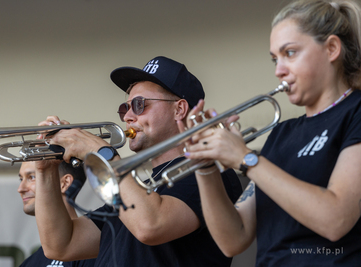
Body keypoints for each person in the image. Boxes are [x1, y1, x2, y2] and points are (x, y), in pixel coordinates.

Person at [182, 0, 361, 266]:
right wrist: (205, 166)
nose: (279, 70)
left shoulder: (355, 112)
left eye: (290, 53)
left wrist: (246, 158)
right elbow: (233, 240)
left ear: (332, 49)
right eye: (275, 59)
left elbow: (335, 219)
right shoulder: (281, 134)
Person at [33, 56, 243, 266]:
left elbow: (151, 226)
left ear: (179, 109)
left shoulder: (208, 173)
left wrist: (103, 153)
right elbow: (61, 245)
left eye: (139, 104)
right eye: (125, 108)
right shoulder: (139, 189)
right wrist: (45, 171)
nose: (127, 117)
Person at [18, 161, 97, 267]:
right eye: (21, 179)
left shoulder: (94, 252)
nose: (20, 189)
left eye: (32, 177)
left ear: (64, 183)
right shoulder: (28, 263)